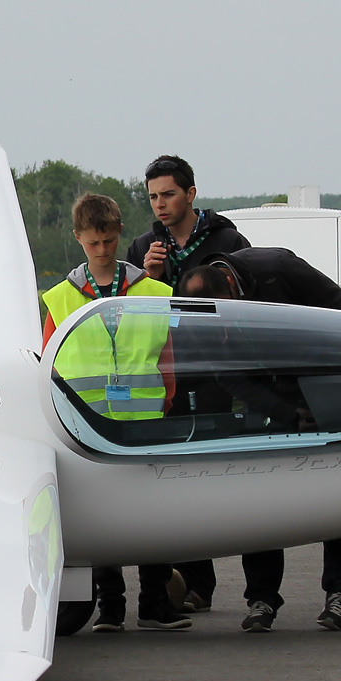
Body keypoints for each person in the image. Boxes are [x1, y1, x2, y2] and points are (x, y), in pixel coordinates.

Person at [178, 249, 341, 632]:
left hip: (316, 386)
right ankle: (261, 598)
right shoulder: (203, 315)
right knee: (259, 500)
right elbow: (228, 376)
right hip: (267, 403)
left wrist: (319, 391)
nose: (223, 332)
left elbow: (336, 307)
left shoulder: (277, 270)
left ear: (231, 289)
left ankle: (340, 592)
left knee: (335, 497)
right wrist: (284, 411)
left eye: (226, 319)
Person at [41, 193, 190, 632]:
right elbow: (48, 363)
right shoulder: (58, 299)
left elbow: (168, 357)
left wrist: (166, 401)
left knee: (151, 515)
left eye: (108, 241)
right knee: (102, 516)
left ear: (118, 234)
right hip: (87, 425)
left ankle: (155, 601)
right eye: (93, 243)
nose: (103, 250)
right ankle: (111, 607)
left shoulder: (154, 292)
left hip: (145, 421)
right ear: (78, 240)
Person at [125, 155, 252, 613]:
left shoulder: (227, 238)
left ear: (191, 194)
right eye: (154, 196)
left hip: (216, 371)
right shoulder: (144, 245)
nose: (160, 204)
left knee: (215, 478)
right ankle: (194, 583)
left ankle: (230, 584)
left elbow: (244, 299)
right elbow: (132, 313)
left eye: (168, 194)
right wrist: (151, 278)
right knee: (175, 480)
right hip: (167, 376)